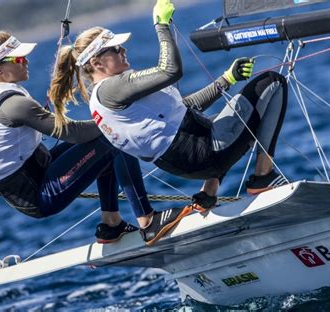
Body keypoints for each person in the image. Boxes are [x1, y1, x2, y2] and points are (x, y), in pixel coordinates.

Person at [0, 31, 191, 247]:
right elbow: (73, 133)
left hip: (33, 171)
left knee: (104, 143)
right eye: (17, 59)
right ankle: (148, 222)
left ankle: (111, 225)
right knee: (112, 139)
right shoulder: (13, 105)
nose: (25, 61)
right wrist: (117, 118)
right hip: (37, 194)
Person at [49, 0, 289, 212]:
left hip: (188, 158)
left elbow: (184, 108)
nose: (123, 50)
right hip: (201, 152)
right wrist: (161, 25)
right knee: (272, 83)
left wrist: (226, 79)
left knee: (237, 115)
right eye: (115, 48)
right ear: (96, 62)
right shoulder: (112, 89)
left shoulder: (106, 97)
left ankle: (208, 193)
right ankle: (262, 177)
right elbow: (170, 71)